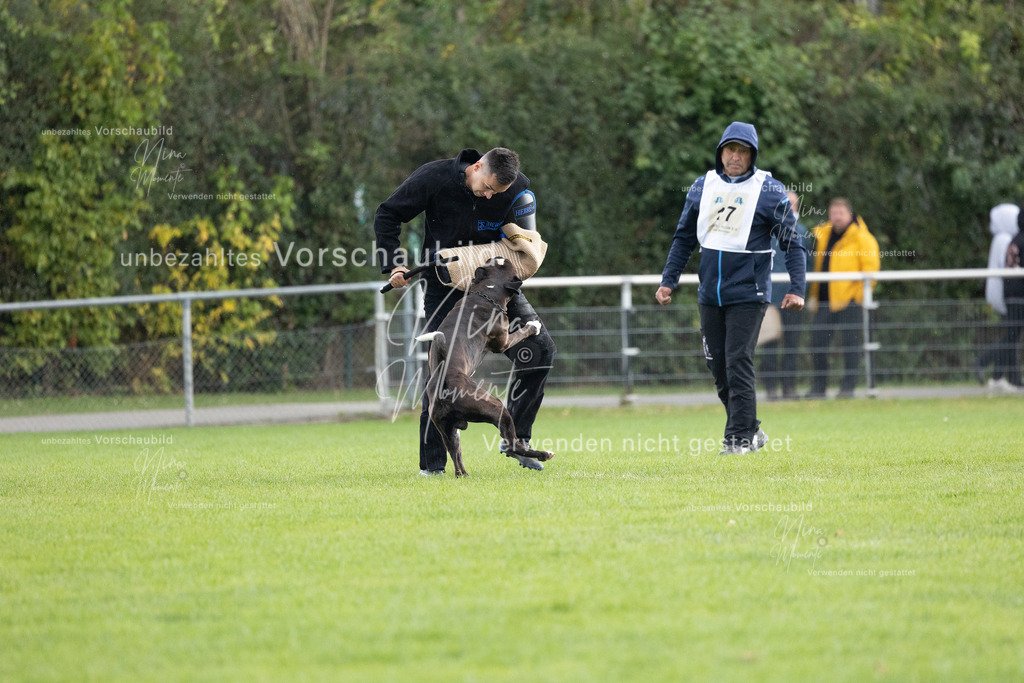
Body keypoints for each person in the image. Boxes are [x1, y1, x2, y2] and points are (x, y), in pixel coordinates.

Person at [374, 147, 556, 476]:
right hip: (444, 284)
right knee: (442, 375)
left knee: (539, 350)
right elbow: (387, 214)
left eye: (496, 193)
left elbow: (524, 238)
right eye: (487, 188)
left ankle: (516, 438)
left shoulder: (517, 188)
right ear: (476, 167)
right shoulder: (434, 177)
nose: (489, 197)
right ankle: (433, 467)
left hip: (493, 285)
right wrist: (394, 263)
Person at [656, 121, 807, 455]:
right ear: (720, 152)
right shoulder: (702, 186)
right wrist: (668, 280)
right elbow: (683, 238)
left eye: (743, 151)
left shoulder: (769, 189)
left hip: (749, 293)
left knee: (738, 360)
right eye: (730, 149)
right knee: (718, 365)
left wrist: (797, 288)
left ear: (752, 155)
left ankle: (737, 440)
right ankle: (751, 428)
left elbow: (792, 243)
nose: (735, 156)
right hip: (710, 293)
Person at [806, 198, 880, 399]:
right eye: (833, 213)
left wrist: (858, 297)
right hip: (824, 300)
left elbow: (870, 270)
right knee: (817, 343)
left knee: (851, 345)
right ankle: (819, 387)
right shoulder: (822, 234)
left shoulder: (862, 237)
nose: (836, 217)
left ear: (850, 214)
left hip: (849, 301)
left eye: (840, 213)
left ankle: (848, 387)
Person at [760, 190, 813, 400]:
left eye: (792, 204)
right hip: (771, 297)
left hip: (793, 297)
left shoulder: (802, 232)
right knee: (770, 344)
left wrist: (802, 292)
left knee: (792, 344)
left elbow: (809, 265)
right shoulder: (767, 230)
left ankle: (789, 388)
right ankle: (771, 388)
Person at [975, 203, 1021, 393]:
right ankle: (983, 362)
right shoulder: (1005, 240)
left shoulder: (1001, 238)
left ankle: (999, 377)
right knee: (1011, 336)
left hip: (1003, 293)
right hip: (1006, 294)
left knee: (1011, 336)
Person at [993, 207, 1024, 393]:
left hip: (1011, 294)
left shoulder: (1014, 239)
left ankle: (1003, 376)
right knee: (1011, 336)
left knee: (1011, 336)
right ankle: (997, 374)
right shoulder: (1017, 240)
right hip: (1018, 295)